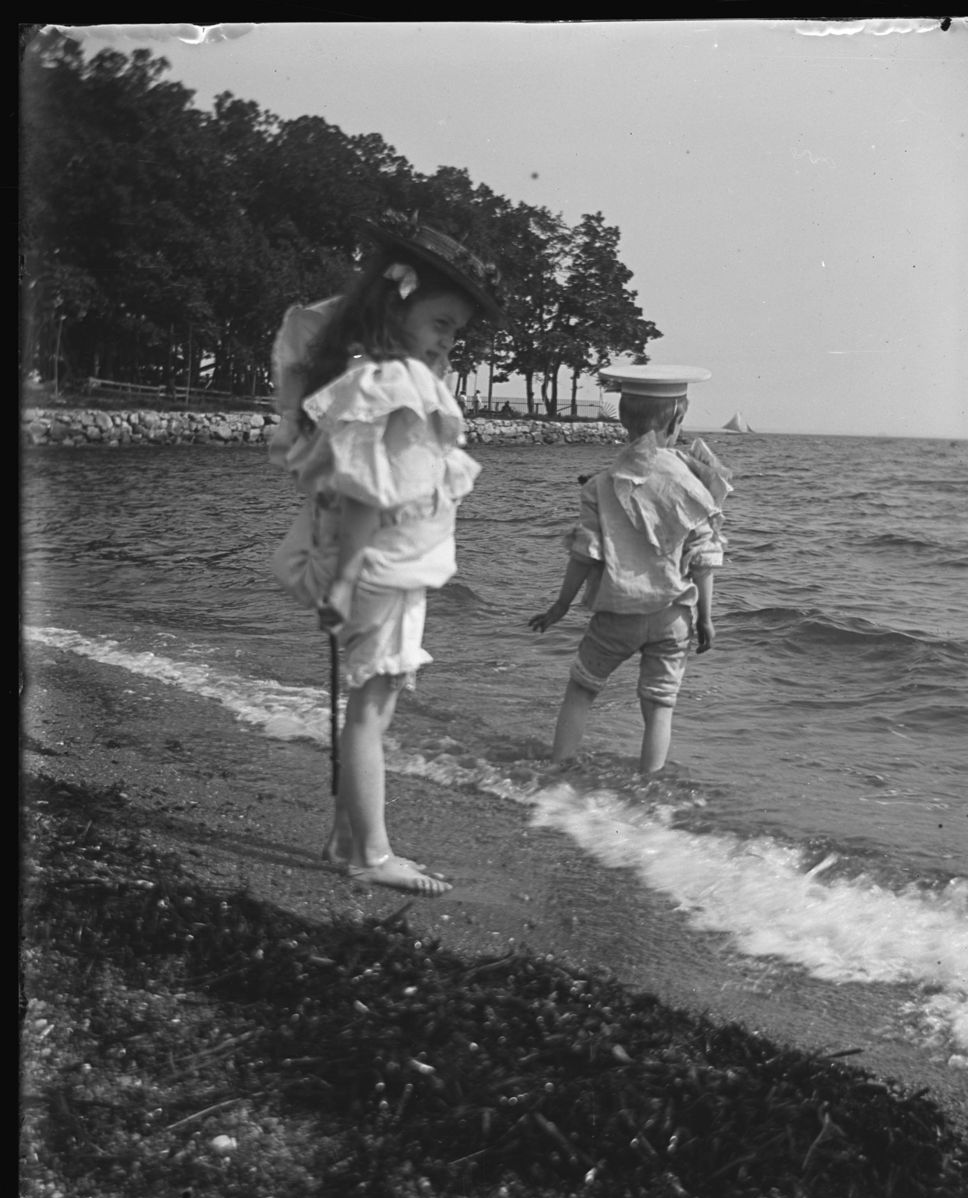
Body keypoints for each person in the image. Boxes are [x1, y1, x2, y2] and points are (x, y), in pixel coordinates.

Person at [268, 211, 504, 895]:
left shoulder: (373, 376)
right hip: (382, 566)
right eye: (441, 324)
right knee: (372, 707)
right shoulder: (394, 384)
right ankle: (372, 853)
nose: (447, 342)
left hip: (376, 564)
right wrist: (342, 584)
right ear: (400, 305)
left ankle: (346, 837)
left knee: (367, 699)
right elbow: (368, 493)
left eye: (454, 331)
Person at [528, 364, 732, 774]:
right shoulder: (695, 483)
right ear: (679, 418)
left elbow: (586, 554)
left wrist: (560, 606)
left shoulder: (601, 484)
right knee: (659, 705)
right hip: (673, 615)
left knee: (582, 689)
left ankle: (558, 770)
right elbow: (704, 557)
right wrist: (707, 618)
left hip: (617, 612)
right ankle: (648, 788)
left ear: (621, 419)